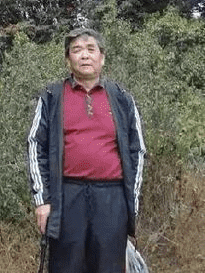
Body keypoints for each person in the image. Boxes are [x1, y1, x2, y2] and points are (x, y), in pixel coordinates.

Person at [26, 26, 145, 273]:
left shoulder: (122, 97)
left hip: (111, 199)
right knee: (66, 267)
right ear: (68, 59)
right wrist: (42, 201)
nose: (84, 55)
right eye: (77, 50)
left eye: (91, 50)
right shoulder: (52, 96)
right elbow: (35, 144)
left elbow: (138, 150)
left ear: (102, 57)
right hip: (67, 196)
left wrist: (130, 202)